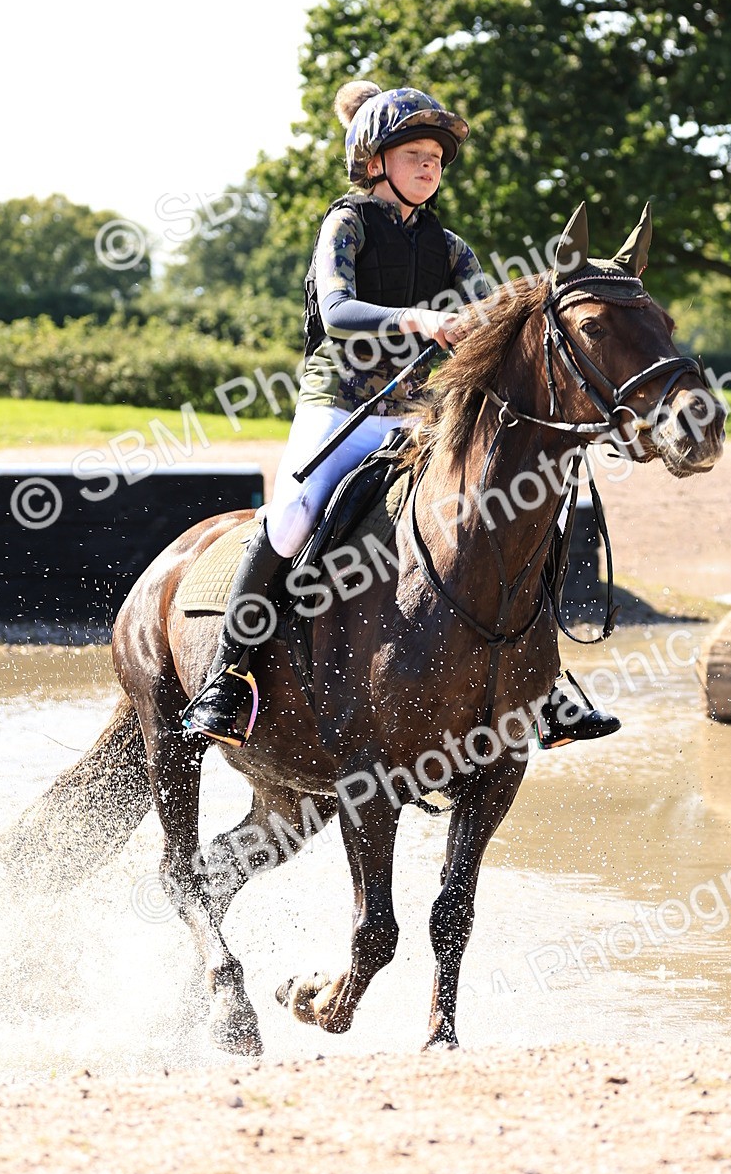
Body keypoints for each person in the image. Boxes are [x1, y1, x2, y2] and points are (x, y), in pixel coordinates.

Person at [182, 81, 620, 750]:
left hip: (421, 411)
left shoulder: (449, 247)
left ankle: (543, 683)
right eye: (415, 153)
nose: (429, 167)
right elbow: (337, 312)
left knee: (527, 509)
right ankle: (227, 676)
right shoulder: (347, 223)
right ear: (376, 161)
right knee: (295, 515)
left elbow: (491, 316)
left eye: (437, 159)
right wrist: (419, 318)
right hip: (342, 404)